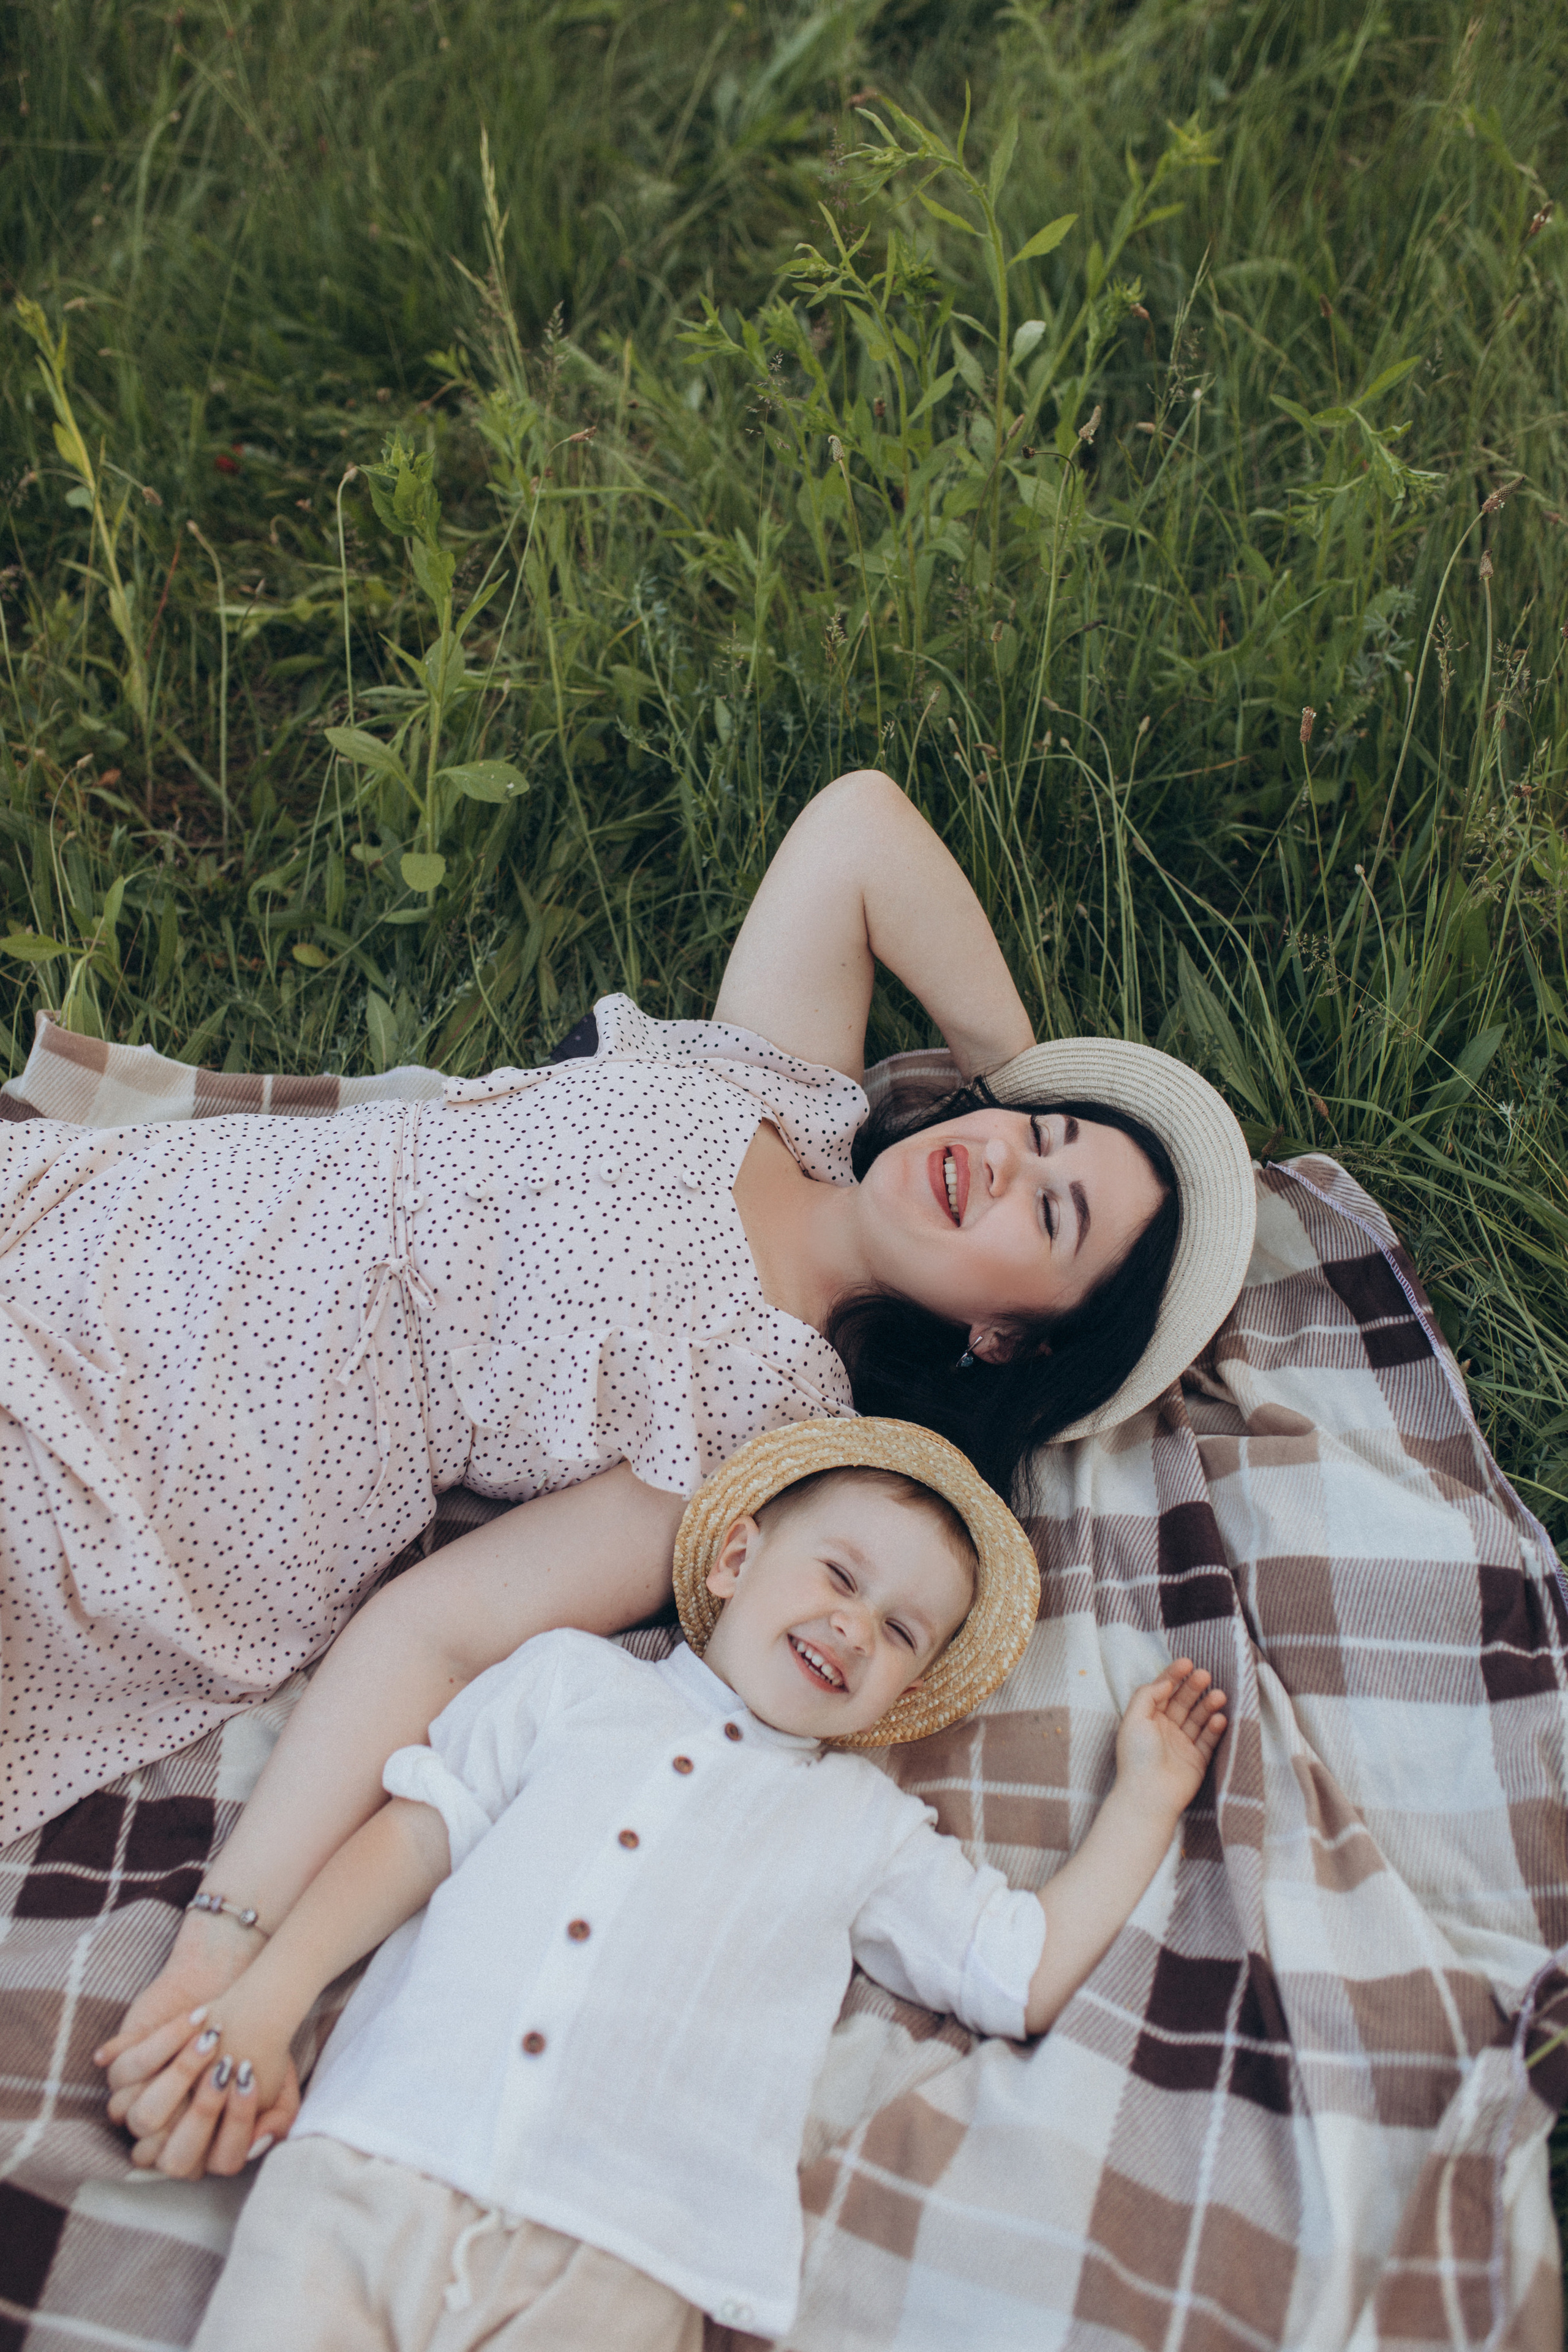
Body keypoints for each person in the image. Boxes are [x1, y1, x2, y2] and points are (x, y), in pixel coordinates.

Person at [43, 767, 1253, 2159]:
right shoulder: (774, 1083)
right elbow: (858, 825)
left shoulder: (756, 1428)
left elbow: (440, 1631)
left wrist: (222, 1948)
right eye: (1033, 1139)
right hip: (134, 1229)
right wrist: (1025, 1081)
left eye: (1050, 1217)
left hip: (203, 1443)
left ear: (1003, 1338)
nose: (999, 1165)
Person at [105, 1420, 1227, 2346]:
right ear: (736, 1561)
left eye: (900, 1631)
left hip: (626, 2254)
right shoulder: (569, 1683)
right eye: (841, 1575)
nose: (855, 1625)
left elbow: (1016, 1970)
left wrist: (1145, 1800)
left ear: (904, 1696)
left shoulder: (868, 1827)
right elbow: (414, 1841)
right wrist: (267, 2001)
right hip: (377, 2162)